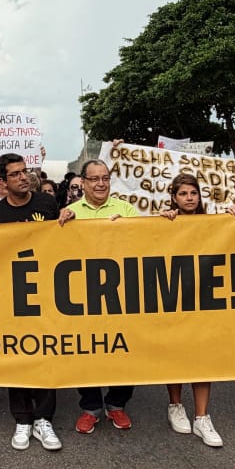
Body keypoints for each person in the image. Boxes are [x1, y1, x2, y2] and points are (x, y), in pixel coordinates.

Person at [0, 153, 63, 452]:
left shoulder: (46, 204)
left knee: (45, 353)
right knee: (16, 354)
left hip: (45, 293)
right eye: (15, 174)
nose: (23, 177)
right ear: (3, 183)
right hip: (12, 296)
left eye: (25, 171)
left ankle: (44, 419)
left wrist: (65, 221)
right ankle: (22, 419)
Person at [159, 171, 235, 447]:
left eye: (193, 193)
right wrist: (160, 222)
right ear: (173, 197)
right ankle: (175, 405)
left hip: (204, 301)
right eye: (183, 193)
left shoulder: (213, 222)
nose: (189, 198)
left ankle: (202, 417)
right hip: (175, 300)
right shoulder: (165, 223)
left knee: (203, 358)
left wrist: (234, 214)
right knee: (176, 355)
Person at [58, 159, 140, 430]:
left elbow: (148, 240)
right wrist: (61, 225)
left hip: (119, 295)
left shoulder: (125, 209)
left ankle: (117, 404)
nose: (101, 183)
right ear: (83, 182)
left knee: (124, 349)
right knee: (84, 351)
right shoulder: (69, 212)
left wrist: (127, 228)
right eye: (94, 179)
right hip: (82, 296)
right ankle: (91, 406)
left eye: (105, 177)